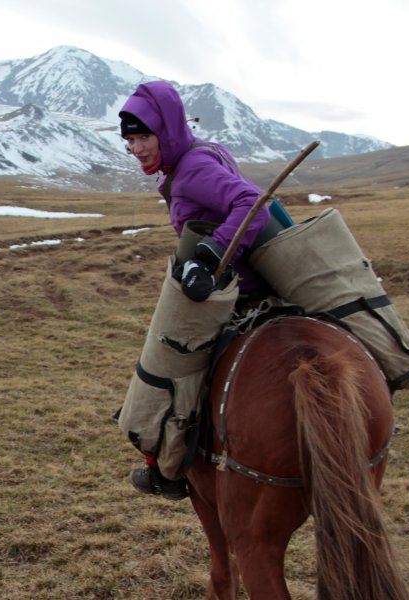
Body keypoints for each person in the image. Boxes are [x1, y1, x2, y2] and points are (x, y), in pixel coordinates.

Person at [119, 81, 284, 500]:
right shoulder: (202, 153)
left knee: (167, 362)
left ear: (167, 130)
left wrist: (210, 254)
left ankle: (166, 467)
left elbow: (251, 202)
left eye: (144, 137)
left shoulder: (192, 169)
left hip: (234, 291)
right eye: (130, 141)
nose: (137, 148)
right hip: (268, 281)